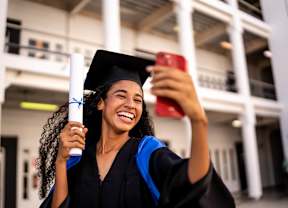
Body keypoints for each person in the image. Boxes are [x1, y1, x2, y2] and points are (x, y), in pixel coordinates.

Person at [37, 50, 235, 208]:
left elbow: (191, 184)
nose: (131, 105)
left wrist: (199, 121)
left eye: (138, 99)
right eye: (121, 95)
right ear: (100, 103)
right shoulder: (78, 156)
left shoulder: (146, 153)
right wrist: (61, 162)